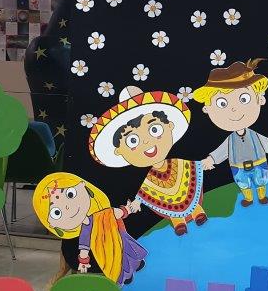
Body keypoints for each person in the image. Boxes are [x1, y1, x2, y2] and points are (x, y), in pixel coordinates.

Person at [88, 87, 207, 235]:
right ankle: (178, 221)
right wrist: (137, 202)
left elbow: (193, 166)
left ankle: (197, 211)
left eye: (154, 129)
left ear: (170, 126)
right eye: (132, 140)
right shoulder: (149, 177)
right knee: (166, 203)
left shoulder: (178, 162)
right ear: (119, 151)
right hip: (158, 187)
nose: (146, 141)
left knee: (190, 194)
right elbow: (145, 193)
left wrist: (204, 163)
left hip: (179, 173)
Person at [32, 171, 147, 287]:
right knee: (117, 262)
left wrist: (130, 208)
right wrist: (83, 261)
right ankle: (126, 274)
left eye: (70, 194)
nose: (67, 207)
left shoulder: (103, 214)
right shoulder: (87, 228)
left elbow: (118, 213)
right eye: (56, 212)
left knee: (128, 253)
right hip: (104, 251)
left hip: (118, 240)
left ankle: (135, 265)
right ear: (52, 224)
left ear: (83, 185)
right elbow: (84, 246)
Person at [196, 58, 268, 207]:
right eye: (222, 103)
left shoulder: (254, 135)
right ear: (207, 109)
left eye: (244, 99)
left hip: (258, 163)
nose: (234, 109)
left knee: (261, 180)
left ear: (260, 99)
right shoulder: (230, 140)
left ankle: (262, 196)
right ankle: (248, 198)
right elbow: (222, 151)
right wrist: (211, 159)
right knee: (243, 183)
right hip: (238, 166)